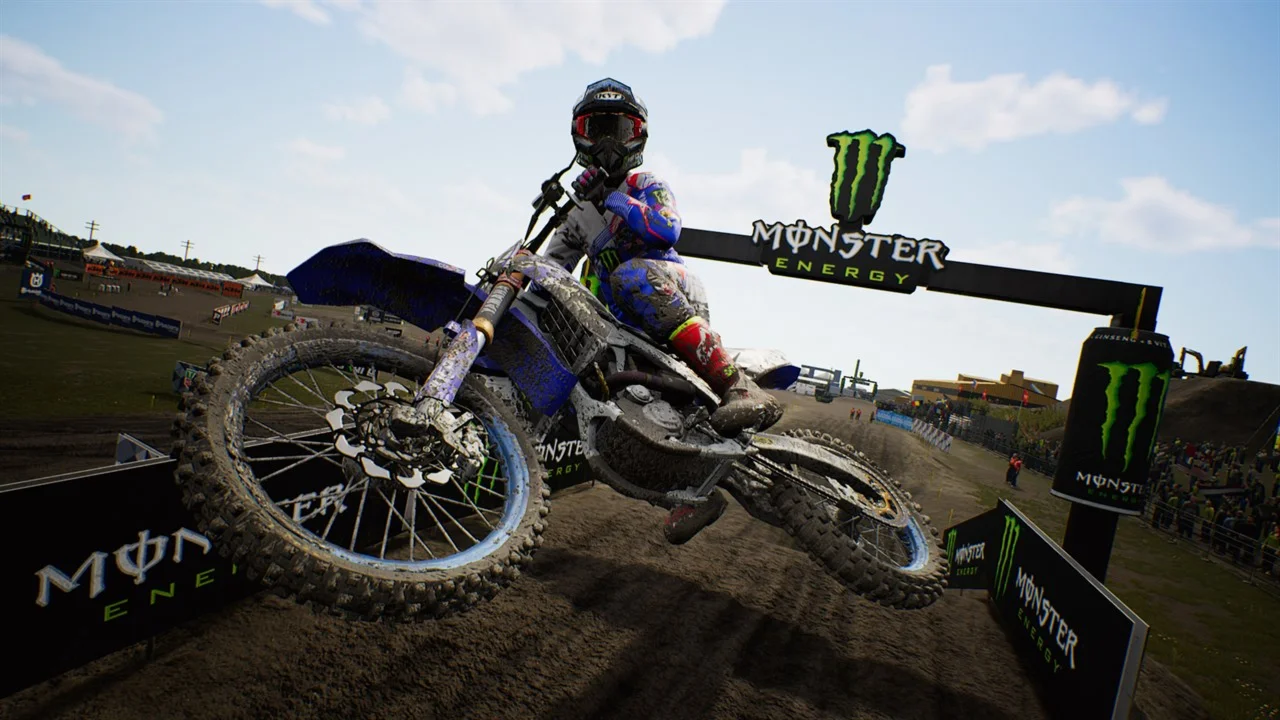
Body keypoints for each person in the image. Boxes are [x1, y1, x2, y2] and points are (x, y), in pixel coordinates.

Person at [542, 78, 783, 545]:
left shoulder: (645, 184)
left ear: (637, 136)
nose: (608, 141)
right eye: (597, 128)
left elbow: (666, 229)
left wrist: (611, 198)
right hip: (622, 324)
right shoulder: (576, 217)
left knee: (627, 274)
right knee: (602, 403)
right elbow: (551, 270)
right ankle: (686, 494)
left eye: (618, 129)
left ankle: (737, 386)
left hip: (669, 291)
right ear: (580, 136)